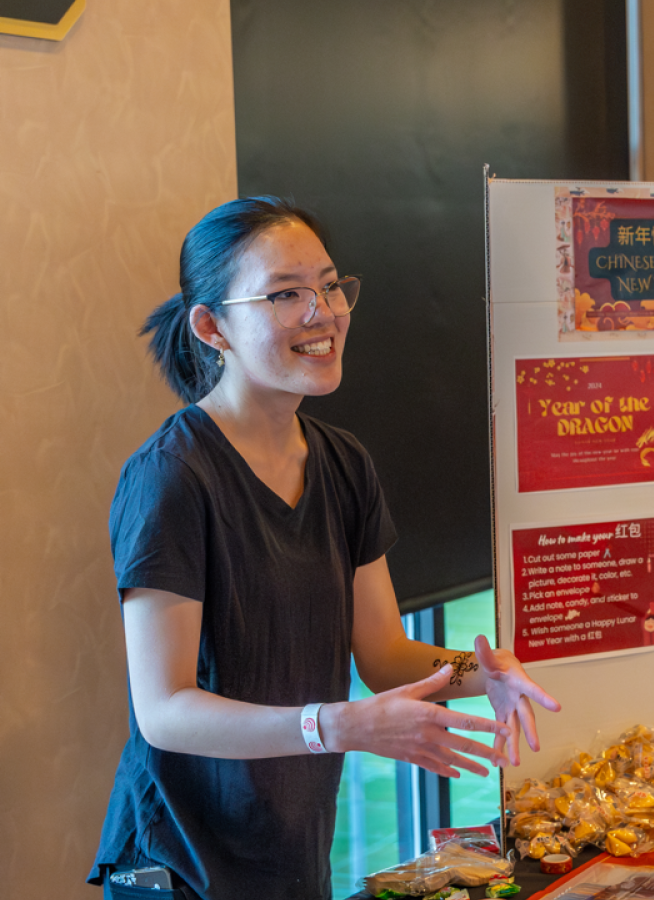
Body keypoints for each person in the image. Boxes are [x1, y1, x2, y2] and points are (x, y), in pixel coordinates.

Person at [91, 197, 562, 899]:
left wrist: (479, 671)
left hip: (290, 849)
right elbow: (165, 710)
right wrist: (337, 725)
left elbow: (383, 655)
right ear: (212, 326)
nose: (325, 312)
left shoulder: (343, 464)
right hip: (180, 862)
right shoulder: (172, 477)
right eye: (286, 294)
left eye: (331, 285)